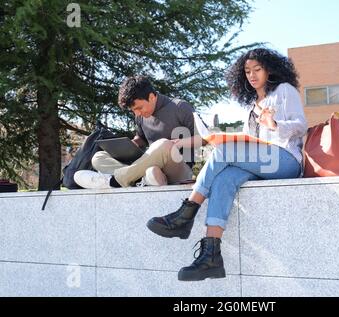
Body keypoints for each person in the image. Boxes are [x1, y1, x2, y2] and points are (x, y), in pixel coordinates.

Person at [146, 48, 308, 281]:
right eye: (247, 71)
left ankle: (186, 214)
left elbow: (301, 125)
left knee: (224, 150)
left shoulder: (284, 90)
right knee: (224, 179)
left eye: (257, 70)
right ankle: (211, 255)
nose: (252, 75)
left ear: (270, 69)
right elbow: (247, 142)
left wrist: (275, 124)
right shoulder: (253, 105)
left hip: (285, 160)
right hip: (261, 163)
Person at [74, 75, 203, 189]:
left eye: (139, 108)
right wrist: (132, 144)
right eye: (133, 110)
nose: (137, 113)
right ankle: (141, 180)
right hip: (150, 167)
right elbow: (141, 138)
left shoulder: (180, 107)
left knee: (163, 144)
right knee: (98, 158)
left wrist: (177, 143)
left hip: (179, 169)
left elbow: (205, 138)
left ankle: (116, 181)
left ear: (151, 97)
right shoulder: (140, 116)